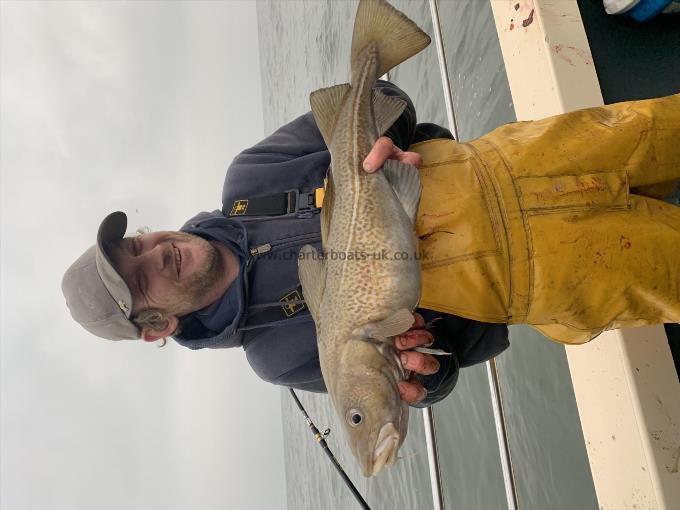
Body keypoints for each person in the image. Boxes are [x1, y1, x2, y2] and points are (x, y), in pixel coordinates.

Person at [62, 80, 680, 405]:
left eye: (137, 243)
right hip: (550, 274)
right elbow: (426, 382)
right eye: (140, 278)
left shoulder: (250, 177)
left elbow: (383, 100)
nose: (155, 252)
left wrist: (379, 135)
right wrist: (421, 371)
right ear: (157, 326)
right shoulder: (276, 356)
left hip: (521, 158)